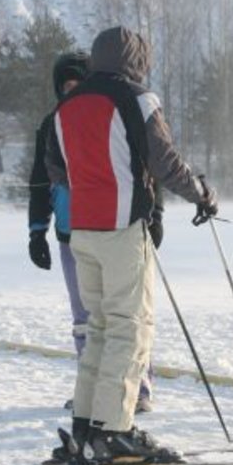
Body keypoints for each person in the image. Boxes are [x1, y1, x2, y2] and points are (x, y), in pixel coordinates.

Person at [45, 26, 218, 465]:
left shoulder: (66, 105)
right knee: (130, 327)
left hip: (81, 228)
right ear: (137, 60)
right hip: (121, 226)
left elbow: (55, 167)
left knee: (98, 328)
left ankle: (86, 425)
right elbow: (165, 162)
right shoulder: (138, 99)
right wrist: (201, 192)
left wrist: (93, 181)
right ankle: (115, 431)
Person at [27, 51, 158, 414]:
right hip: (74, 233)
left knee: (127, 314)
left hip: (118, 224)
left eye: (77, 84)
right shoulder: (54, 123)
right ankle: (96, 389)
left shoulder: (114, 115)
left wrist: (154, 214)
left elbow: (143, 165)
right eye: (65, 86)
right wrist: (37, 230)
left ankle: (138, 386)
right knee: (86, 316)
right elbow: (40, 181)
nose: (72, 91)